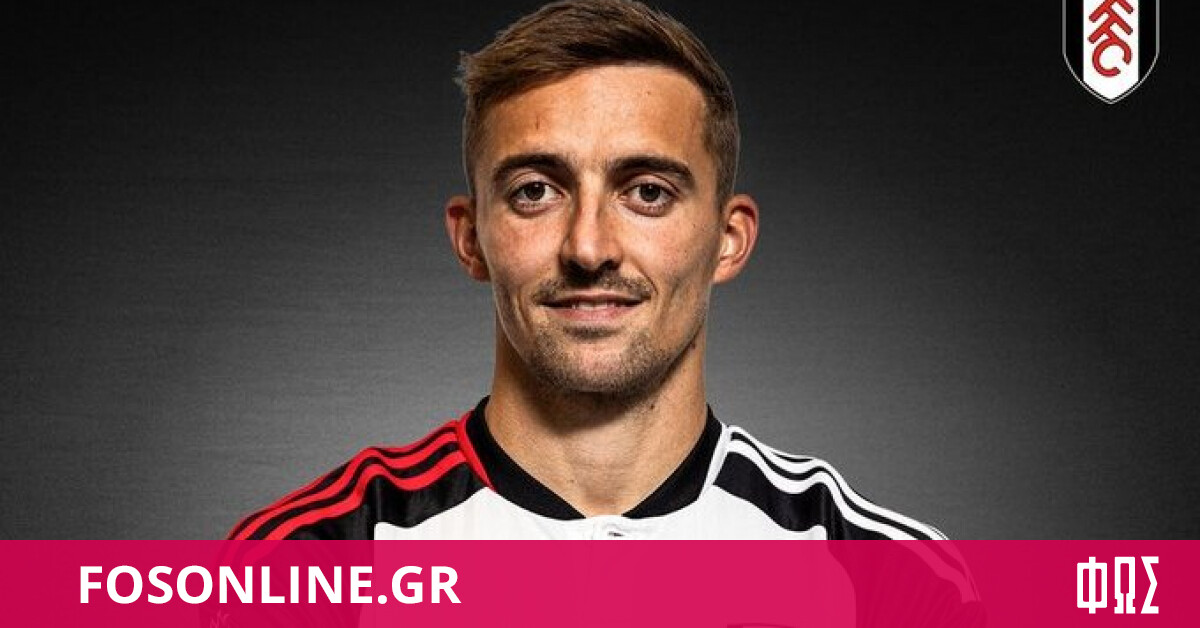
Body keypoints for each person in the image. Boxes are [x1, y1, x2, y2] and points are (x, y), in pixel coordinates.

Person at [229, 0, 950, 544]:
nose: (588, 247)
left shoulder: (890, 579)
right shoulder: (307, 563)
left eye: (648, 193)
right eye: (535, 191)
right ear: (471, 238)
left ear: (728, 240)